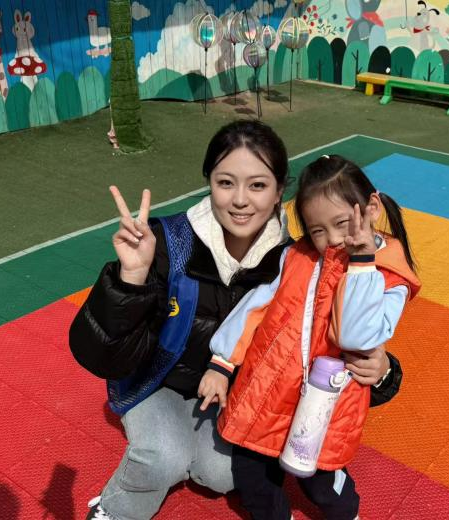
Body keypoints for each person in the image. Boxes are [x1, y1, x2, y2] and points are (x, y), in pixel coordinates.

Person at [69, 121, 404, 520]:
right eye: (226, 183)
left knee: (226, 473)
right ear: (209, 182)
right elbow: (101, 355)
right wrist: (131, 278)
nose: (241, 200)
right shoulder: (165, 243)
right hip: (158, 384)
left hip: (233, 394)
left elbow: (324, 342)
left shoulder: (299, 259)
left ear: (279, 193)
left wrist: (383, 372)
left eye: (258, 185)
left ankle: (183, 445)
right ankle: (116, 507)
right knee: (163, 456)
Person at [198, 154, 421, 520]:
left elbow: (355, 336)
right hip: (269, 390)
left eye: (341, 224)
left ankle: (347, 514)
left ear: (372, 208)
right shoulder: (295, 257)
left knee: (320, 481)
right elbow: (256, 307)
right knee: (251, 473)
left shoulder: (389, 277)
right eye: (317, 231)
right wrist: (222, 362)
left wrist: (361, 262)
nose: (332, 240)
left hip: (327, 402)